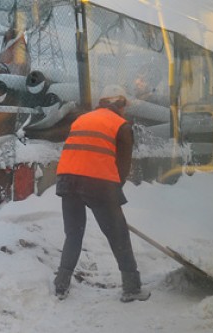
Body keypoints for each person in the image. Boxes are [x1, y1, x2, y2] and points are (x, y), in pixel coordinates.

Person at [53, 85, 151, 302]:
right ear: (120, 104)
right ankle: (132, 288)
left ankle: (61, 284)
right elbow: (122, 167)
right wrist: (114, 197)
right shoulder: (121, 125)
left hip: (67, 180)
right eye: (125, 106)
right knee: (118, 235)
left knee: (73, 234)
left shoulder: (82, 119)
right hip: (98, 184)